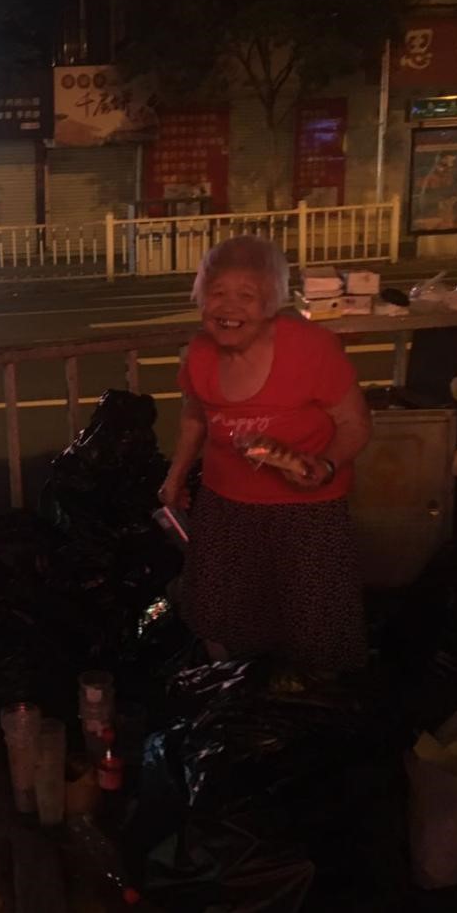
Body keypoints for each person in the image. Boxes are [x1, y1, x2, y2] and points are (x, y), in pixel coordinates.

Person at [158, 235, 372, 672]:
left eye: (246, 295)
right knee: (223, 612)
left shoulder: (311, 348)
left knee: (313, 620)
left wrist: (324, 465)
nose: (228, 308)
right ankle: (240, 690)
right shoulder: (200, 351)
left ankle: (312, 696)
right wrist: (175, 477)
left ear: (271, 302)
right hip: (225, 506)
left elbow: (356, 425)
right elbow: (196, 417)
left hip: (308, 512)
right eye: (217, 293)